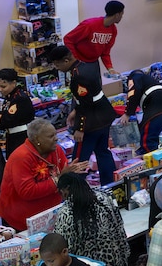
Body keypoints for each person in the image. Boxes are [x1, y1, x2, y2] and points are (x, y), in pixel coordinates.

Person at [53, 170, 131, 266]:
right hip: (113, 262)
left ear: (66, 189)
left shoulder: (66, 212)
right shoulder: (104, 198)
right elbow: (119, 227)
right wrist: (124, 254)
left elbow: (65, 247)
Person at [0, 118, 87, 230]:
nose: (56, 139)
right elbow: (27, 191)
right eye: (50, 136)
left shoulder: (56, 150)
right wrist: (59, 178)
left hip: (48, 215)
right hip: (18, 220)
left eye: (55, 134)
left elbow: (64, 176)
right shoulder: (21, 157)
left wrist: (71, 177)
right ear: (37, 139)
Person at [47, 45, 118, 186]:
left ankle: (76, 190)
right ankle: (110, 185)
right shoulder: (86, 65)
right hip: (103, 114)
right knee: (103, 151)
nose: (57, 68)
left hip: (91, 122)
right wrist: (75, 111)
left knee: (79, 159)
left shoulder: (77, 76)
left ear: (66, 60)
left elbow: (86, 104)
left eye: (57, 64)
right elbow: (88, 98)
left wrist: (80, 128)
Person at [122, 69, 162, 155]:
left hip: (158, 105)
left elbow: (133, 93)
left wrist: (127, 113)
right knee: (149, 128)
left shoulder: (135, 78)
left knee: (147, 134)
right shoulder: (149, 80)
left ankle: (151, 155)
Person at [62, 0, 124, 75]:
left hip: (94, 63)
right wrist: (76, 59)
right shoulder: (89, 25)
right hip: (80, 63)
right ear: (117, 15)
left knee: (96, 85)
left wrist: (110, 68)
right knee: (82, 86)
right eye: (122, 14)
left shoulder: (113, 30)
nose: (122, 17)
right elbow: (68, 39)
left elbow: (105, 53)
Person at [0, 68, 35, 157]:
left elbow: (6, 120)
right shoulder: (10, 97)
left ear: (13, 83)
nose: (0, 90)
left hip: (22, 138)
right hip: (13, 137)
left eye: (3, 86)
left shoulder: (20, 98)